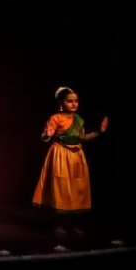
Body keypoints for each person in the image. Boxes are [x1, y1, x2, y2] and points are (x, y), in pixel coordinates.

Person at [32, 87, 108, 235]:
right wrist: (46, 135)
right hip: (60, 154)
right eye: (69, 101)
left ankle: (73, 224)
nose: (74, 104)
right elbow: (45, 137)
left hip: (77, 155)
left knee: (76, 188)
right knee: (61, 188)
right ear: (61, 103)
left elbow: (83, 138)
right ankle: (58, 223)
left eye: (76, 101)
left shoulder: (79, 119)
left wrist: (99, 132)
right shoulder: (55, 118)